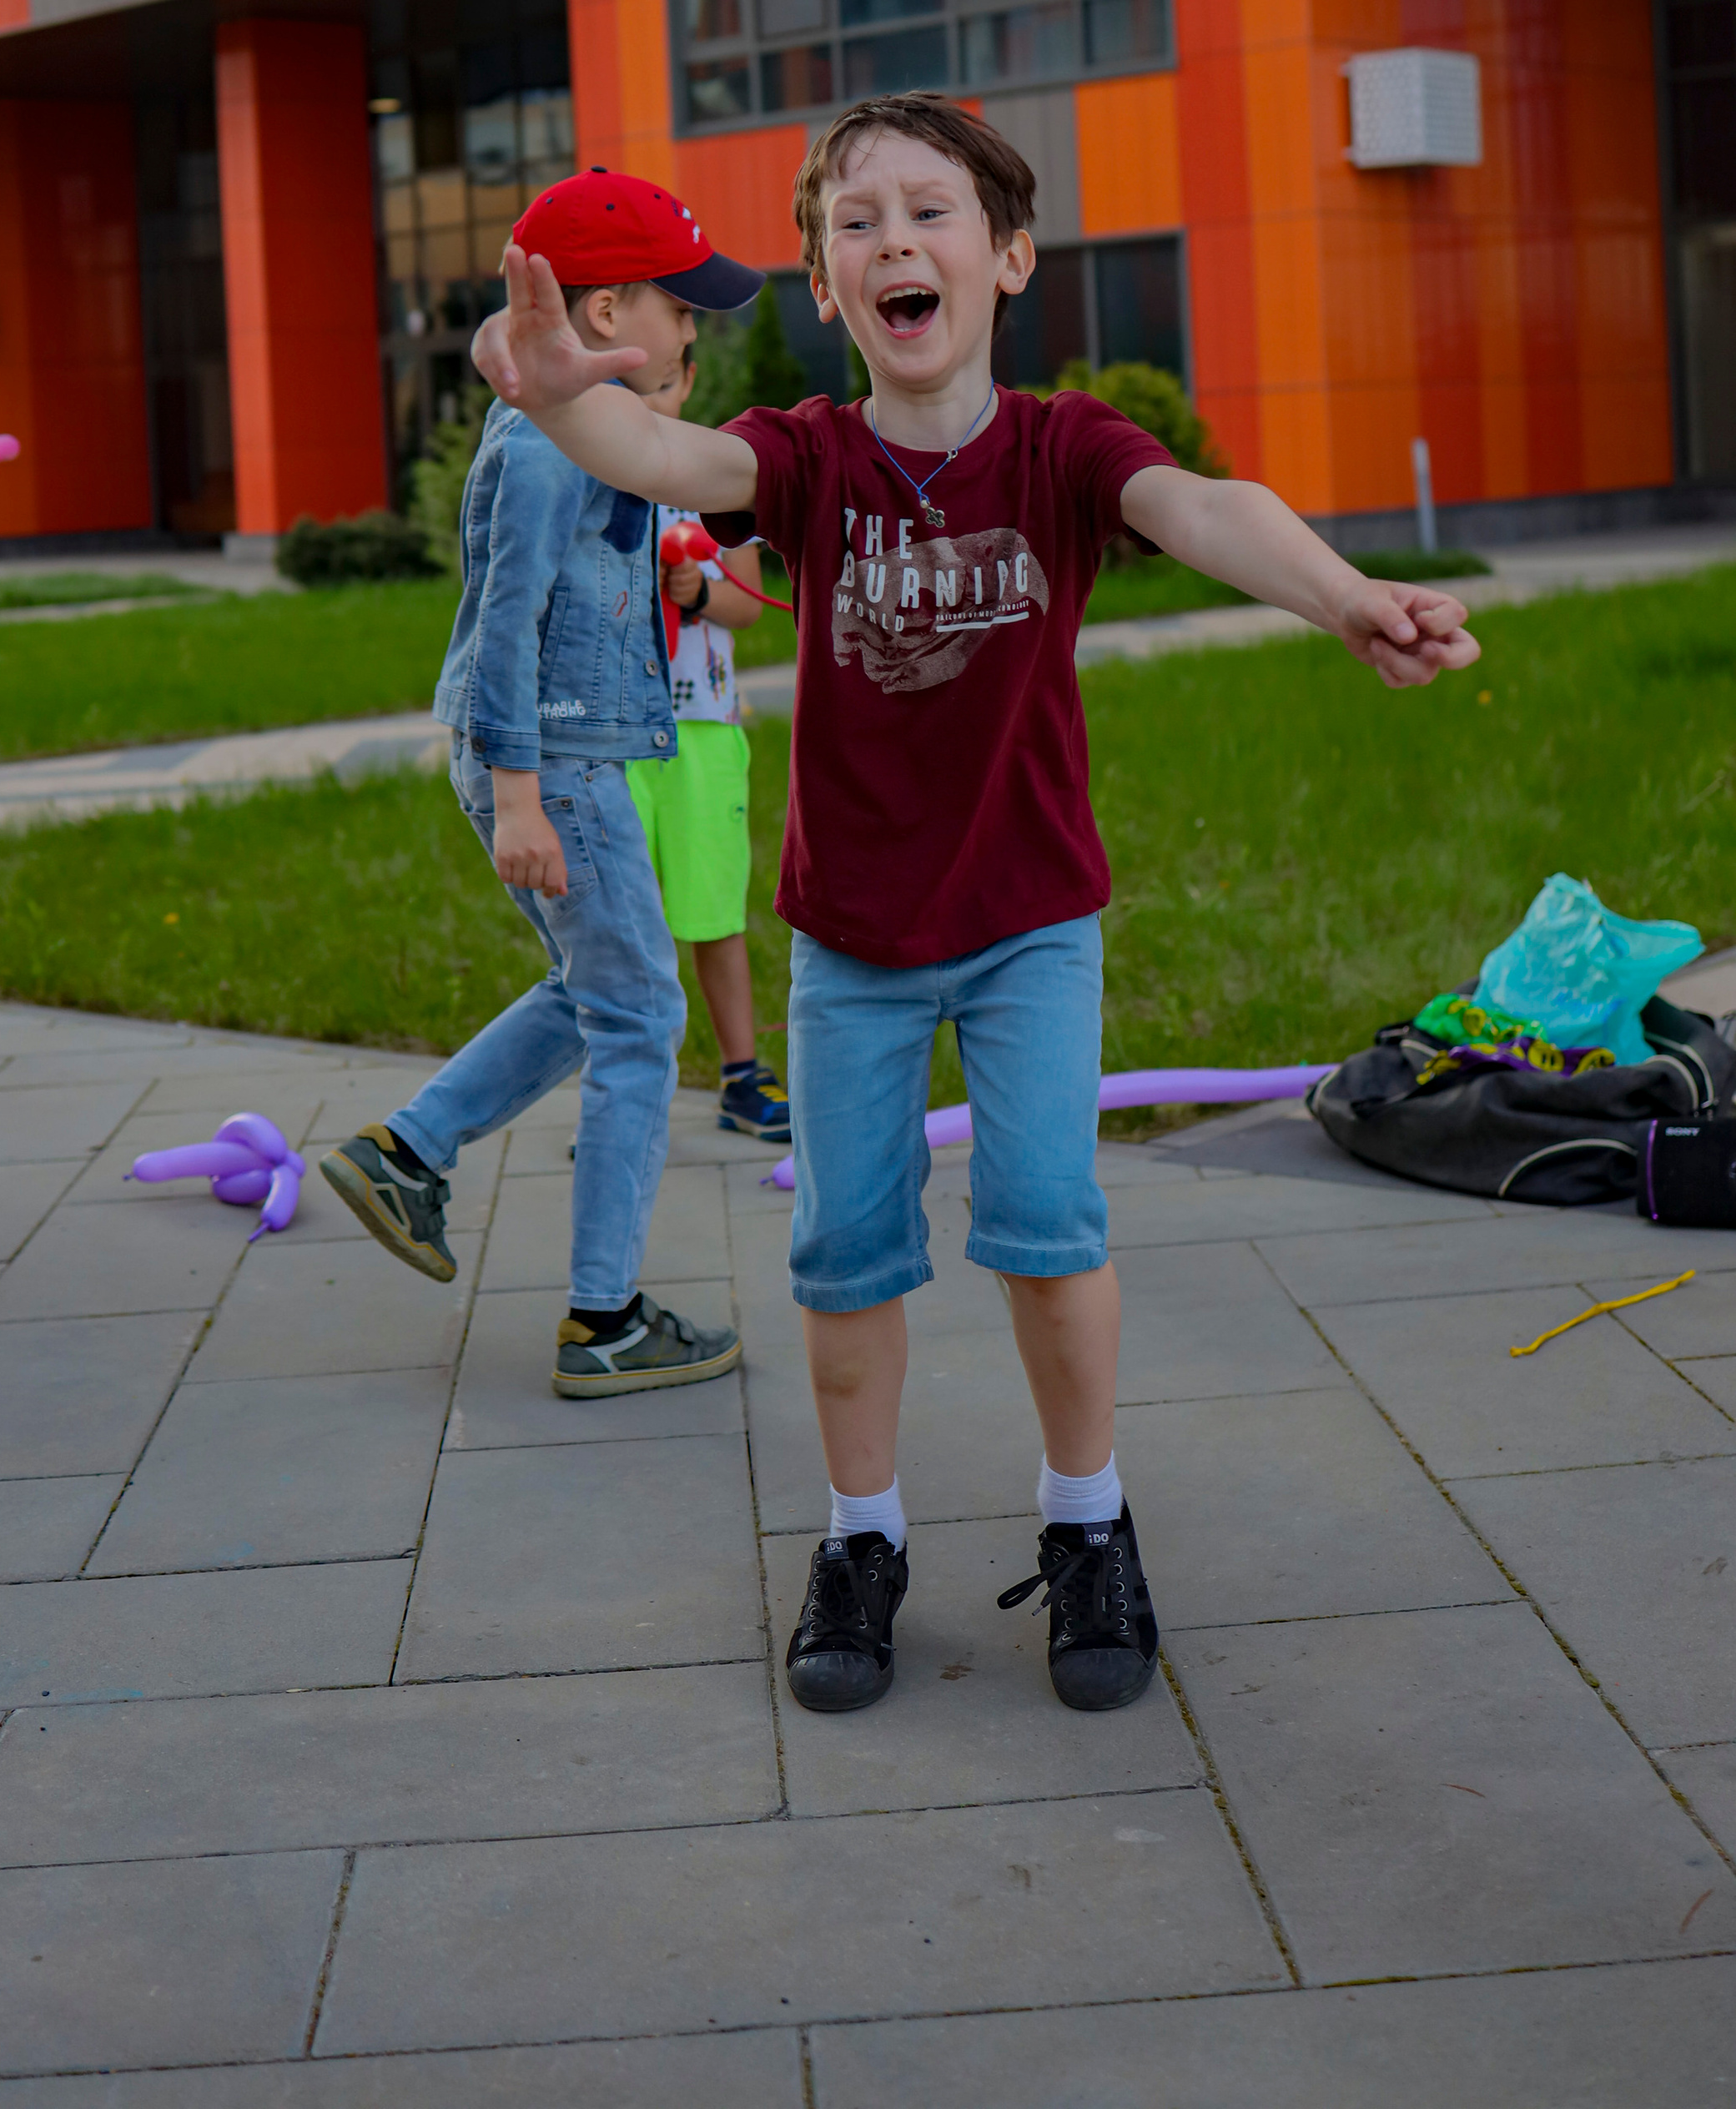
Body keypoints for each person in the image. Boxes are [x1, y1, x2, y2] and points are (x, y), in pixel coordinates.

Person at [474, 93, 1479, 1716]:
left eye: (927, 211)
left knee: (1041, 1227)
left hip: (1026, 921)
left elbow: (1204, 508)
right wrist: (556, 401)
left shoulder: (1063, 447)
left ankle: (1086, 1523)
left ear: (1003, 256)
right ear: (822, 284)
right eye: (855, 222)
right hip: (854, 940)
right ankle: (858, 1543)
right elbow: (660, 454)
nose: (894, 241)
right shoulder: (802, 457)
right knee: (844, 1254)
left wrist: (1342, 596)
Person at [319, 169, 767, 1397]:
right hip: (551, 761)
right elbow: (505, 620)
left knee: (597, 989)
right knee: (639, 1014)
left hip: (566, 753)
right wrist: (519, 797)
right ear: (611, 313)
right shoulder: (542, 447)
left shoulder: (580, 429)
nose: (694, 331)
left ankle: (408, 1151)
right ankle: (603, 1317)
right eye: (684, 308)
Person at [626, 349, 787, 1141]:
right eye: (630, 391)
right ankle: (625, 1094)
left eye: (661, 386)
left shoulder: (714, 479)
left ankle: (740, 1076)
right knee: (624, 924)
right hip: (616, 734)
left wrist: (699, 591)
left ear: (688, 380)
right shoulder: (593, 481)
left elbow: (753, 604)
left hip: (703, 729)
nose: (648, 404)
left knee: (714, 910)